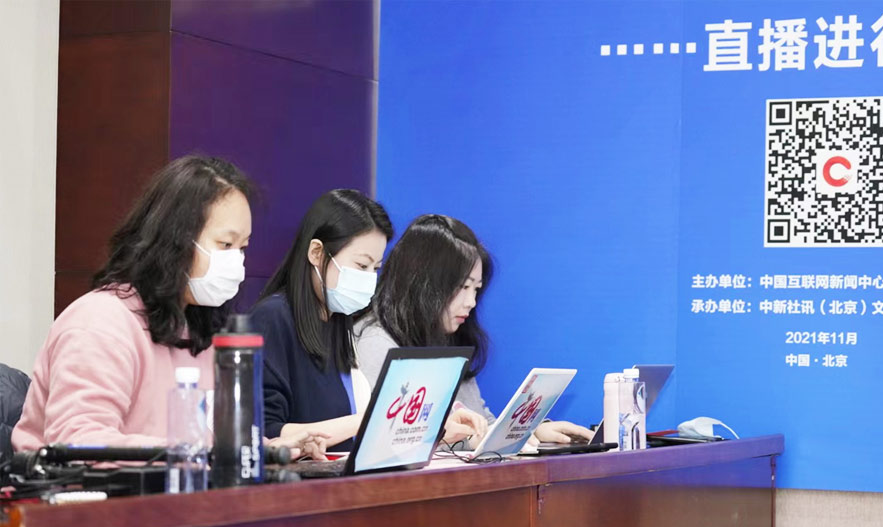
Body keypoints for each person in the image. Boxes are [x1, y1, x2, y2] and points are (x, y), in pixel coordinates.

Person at [13, 156, 326, 459]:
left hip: (178, 491)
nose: (237, 260)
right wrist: (195, 455)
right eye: (225, 245)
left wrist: (266, 451)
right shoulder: (100, 322)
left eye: (242, 247)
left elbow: (209, 442)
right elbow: (78, 444)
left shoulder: (198, 327)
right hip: (86, 495)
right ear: (175, 240)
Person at [251, 192, 486, 452]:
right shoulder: (272, 318)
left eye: (375, 268)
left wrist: (435, 429)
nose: (369, 278)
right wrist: (369, 419)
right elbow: (264, 432)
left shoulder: (339, 322)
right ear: (317, 253)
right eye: (361, 265)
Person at [355, 215, 593, 447]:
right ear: (424, 284)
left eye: (476, 289)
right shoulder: (376, 342)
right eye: (463, 287)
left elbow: (482, 423)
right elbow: (391, 441)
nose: (471, 302)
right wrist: (469, 441)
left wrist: (532, 432)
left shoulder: (447, 339)